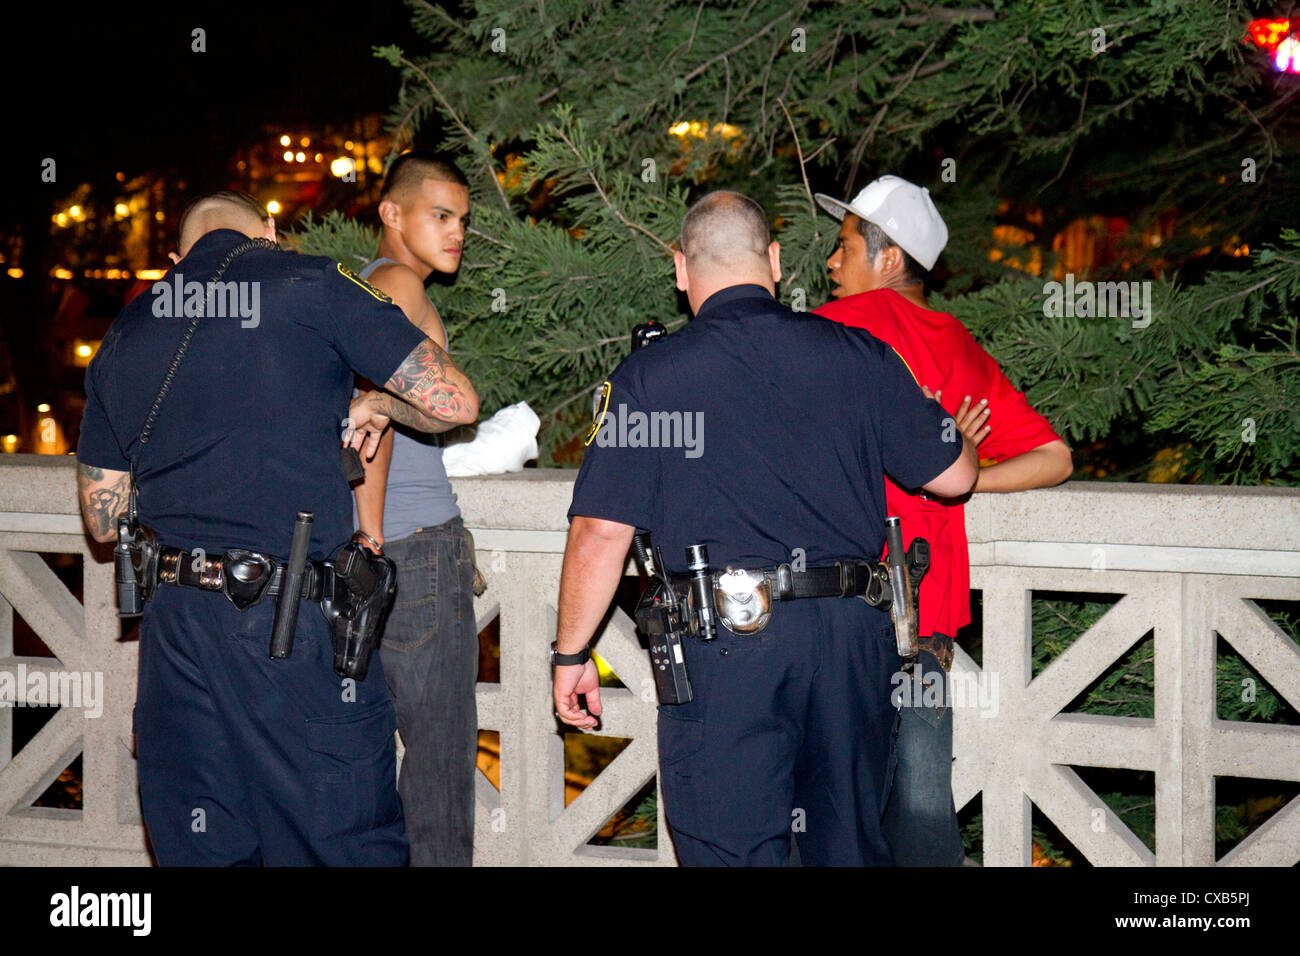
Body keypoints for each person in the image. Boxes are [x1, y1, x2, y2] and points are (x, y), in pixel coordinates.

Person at [551, 190, 978, 866]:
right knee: (847, 848)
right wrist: (933, 413)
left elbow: (601, 532)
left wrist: (571, 655)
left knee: (731, 848)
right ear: (774, 262)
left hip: (729, 650)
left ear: (681, 269)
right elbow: (955, 476)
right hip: (851, 643)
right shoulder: (860, 354)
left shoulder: (652, 378)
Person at [75, 190, 479, 866]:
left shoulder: (128, 329)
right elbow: (455, 402)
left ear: (174, 260)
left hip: (176, 637)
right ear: (267, 231)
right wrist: (377, 401)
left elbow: (102, 518)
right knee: (336, 842)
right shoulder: (311, 284)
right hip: (293, 631)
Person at [813, 174, 1073, 865]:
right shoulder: (958, 343)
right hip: (928, 623)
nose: (830, 264)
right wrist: (962, 470)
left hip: (847, 617)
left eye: (843, 248)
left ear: (888, 258)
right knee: (923, 808)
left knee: (837, 810)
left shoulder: (836, 330)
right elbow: (1055, 456)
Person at [351, 151, 480, 867]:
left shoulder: (363, 284)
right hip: (414, 552)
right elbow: (382, 418)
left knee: (369, 762)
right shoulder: (398, 282)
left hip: (380, 551)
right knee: (437, 770)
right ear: (391, 214)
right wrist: (374, 536)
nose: (456, 232)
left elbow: (369, 408)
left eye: (462, 220)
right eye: (440, 215)